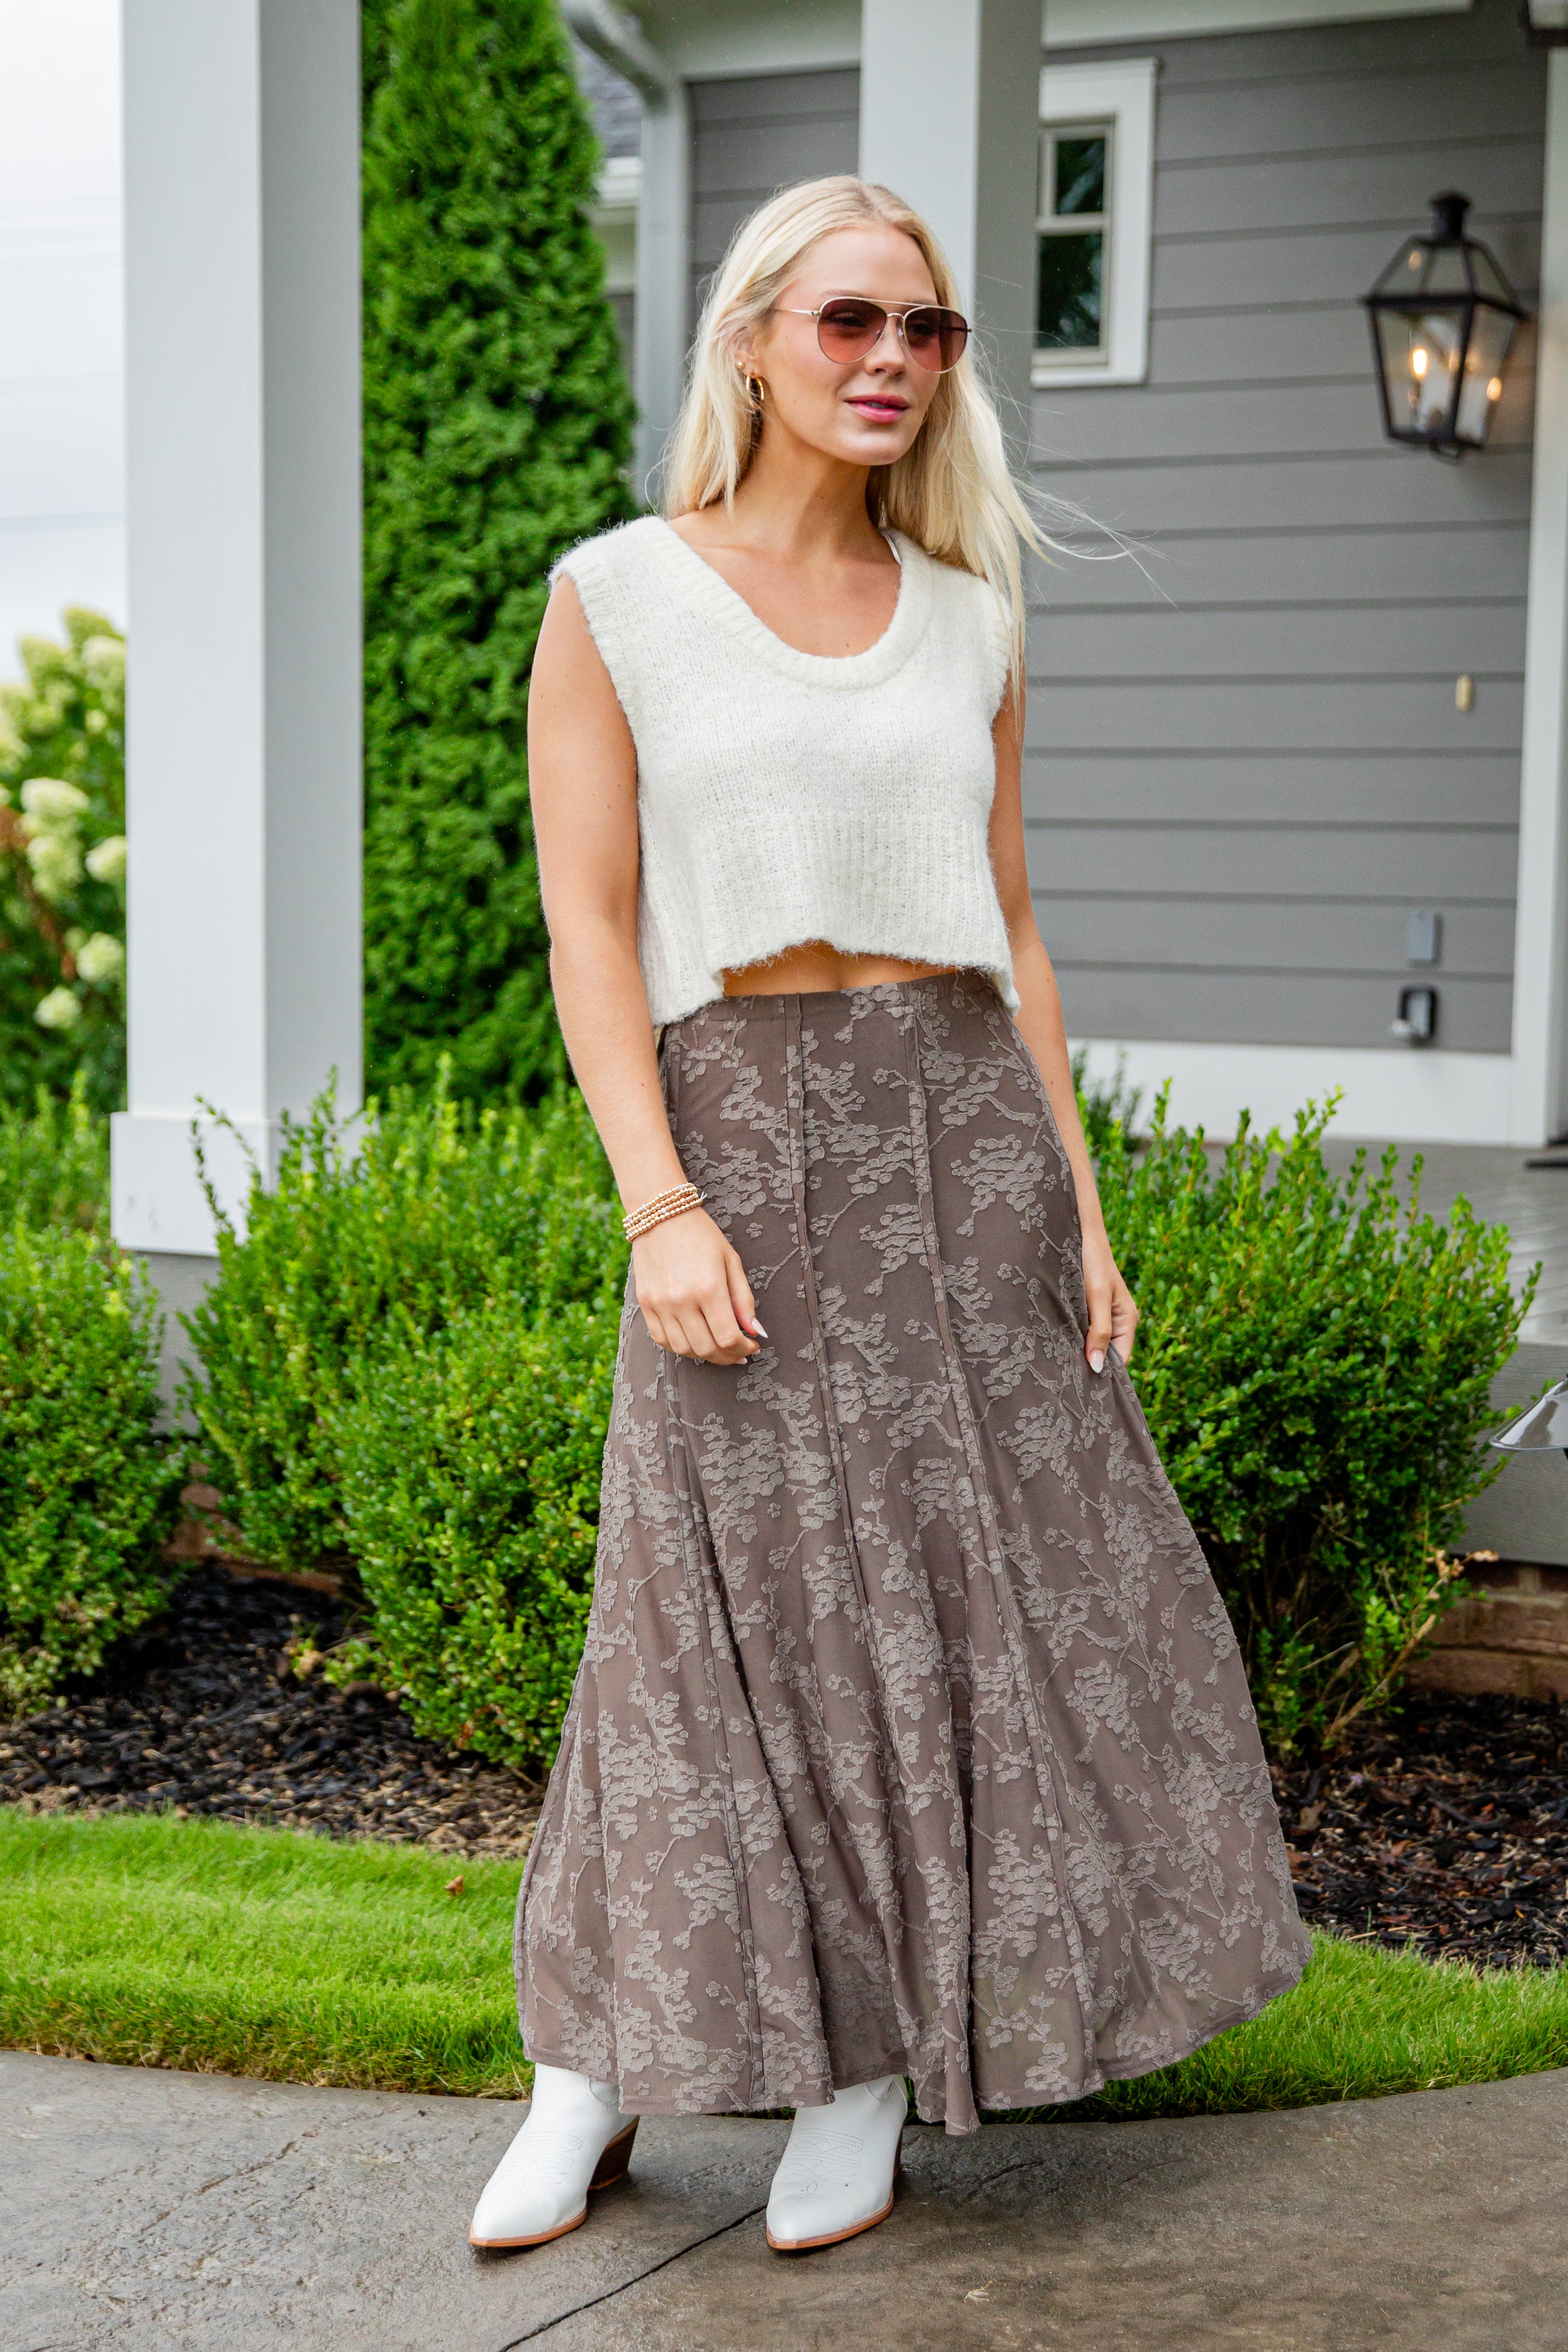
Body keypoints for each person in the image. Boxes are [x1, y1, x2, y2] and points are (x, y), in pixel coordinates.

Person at [469, 173, 1310, 2260]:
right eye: (849, 320)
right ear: (754, 337)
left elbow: (1015, 928)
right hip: (737, 1132)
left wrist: (1083, 1208)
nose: (890, 362)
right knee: (697, 1610)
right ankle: (590, 2059)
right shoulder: (620, 596)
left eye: (925, 330)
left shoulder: (973, 613)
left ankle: (857, 2068)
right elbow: (586, 922)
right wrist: (658, 1202)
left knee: (945, 1613)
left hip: (959, 1133)